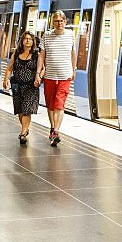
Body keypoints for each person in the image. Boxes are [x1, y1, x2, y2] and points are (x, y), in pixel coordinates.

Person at [37, 10, 75, 146]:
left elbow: (72, 53)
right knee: (51, 105)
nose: (59, 23)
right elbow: (42, 55)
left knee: (60, 103)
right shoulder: (46, 36)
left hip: (65, 75)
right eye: (56, 21)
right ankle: (52, 127)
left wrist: (73, 69)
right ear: (53, 23)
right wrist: (38, 72)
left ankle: (56, 131)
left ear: (65, 22)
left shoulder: (71, 35)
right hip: (50, 76)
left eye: (61, 21)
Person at [2, 30, 41, 145]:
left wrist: (38, 77)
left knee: (26, 109)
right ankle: (25, 128)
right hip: (17, 85)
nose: (28, 41)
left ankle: (23, 133)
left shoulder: (36, 55)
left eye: (30, 39)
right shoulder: (17, 54)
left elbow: (42, 68)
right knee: (19, 109)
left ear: (33, 41)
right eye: (25, 39)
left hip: (30, 86)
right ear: (22, 41)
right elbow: (10, 68)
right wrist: (5, 80)